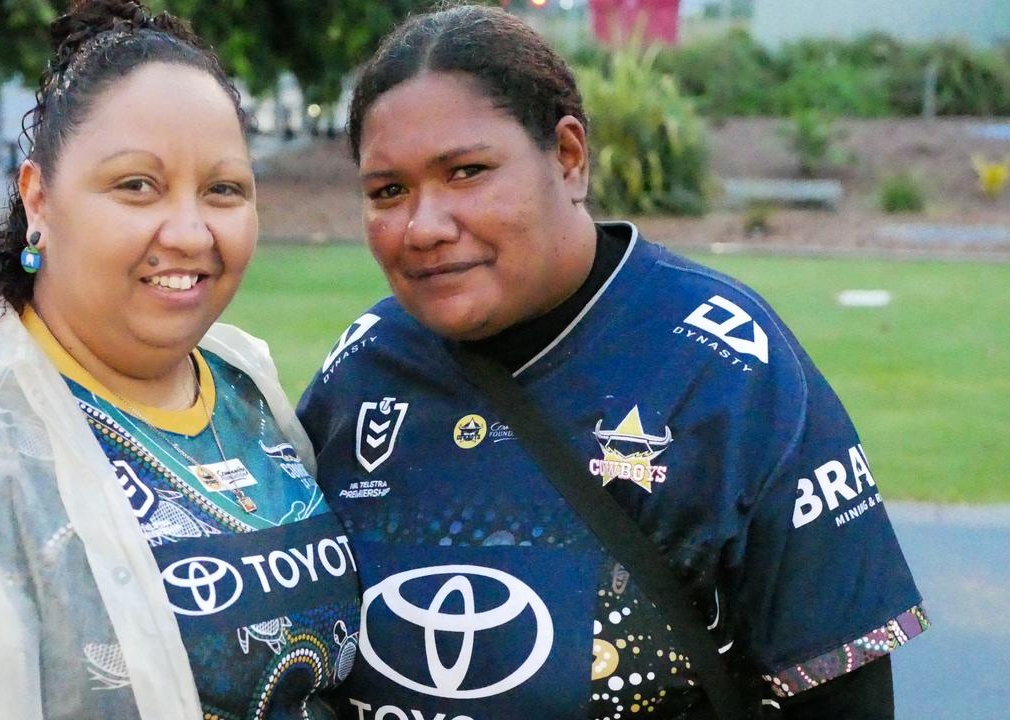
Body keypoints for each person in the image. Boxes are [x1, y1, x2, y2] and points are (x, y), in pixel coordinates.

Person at [297, 5, 927, 719]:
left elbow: (842, 691)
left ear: (567, 157)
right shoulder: (361, 367)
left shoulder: (721, 361)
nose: (424, 227)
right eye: (388, 191)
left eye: (467, 172)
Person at [0, 2, 359, 718]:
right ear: (38, 199)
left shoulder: (242, 387)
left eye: (224, 189)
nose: (190, 230)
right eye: (136, 184)